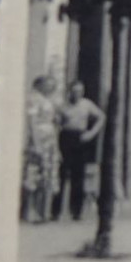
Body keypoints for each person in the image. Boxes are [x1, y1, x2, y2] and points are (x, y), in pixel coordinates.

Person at [53, 81, 105, 221]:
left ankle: (76, 211)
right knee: (61, 174)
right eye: (74, 91)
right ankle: (55, 211)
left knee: (78, 175)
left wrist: (91, 133)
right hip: (65, 137)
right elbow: (57, 124)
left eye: (80, 91)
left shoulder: (86, 104)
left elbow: (101, 117)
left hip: (80, 137)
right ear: (69, 91)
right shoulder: (62, 106)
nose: (77, 94)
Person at [21, 75, 59, 223]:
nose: (51, 88)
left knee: (46, 175)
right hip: (39, 138)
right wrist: (36, 143)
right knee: (33, 174)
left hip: (49, 139)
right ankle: (29, 211)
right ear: (40, 84)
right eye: (48, 85)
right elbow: (32, 122)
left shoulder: (47, 99)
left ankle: (42, 211)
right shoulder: (34, 99)